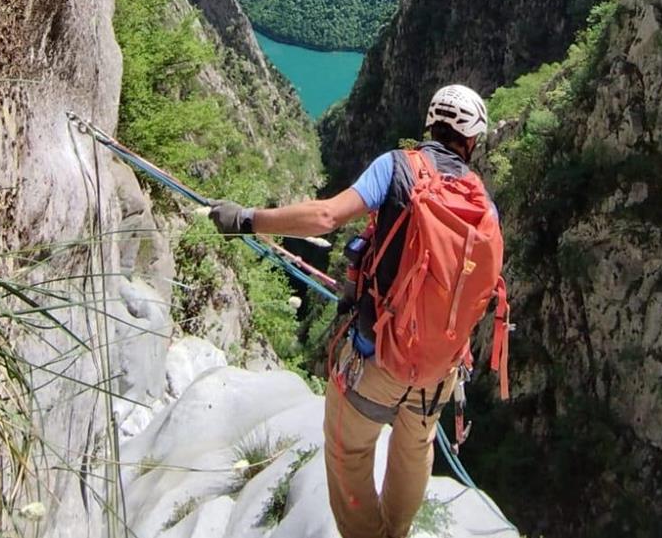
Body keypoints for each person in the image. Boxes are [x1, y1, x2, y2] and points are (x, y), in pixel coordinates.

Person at [209, 84, 503, 538]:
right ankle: (397, 531)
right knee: (415, 449)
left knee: (349, 453)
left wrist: (247, 220)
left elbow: (326, 217)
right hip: (438, 371)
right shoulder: (483, 206)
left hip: (377, 360)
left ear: (430, 124)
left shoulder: (396, 167)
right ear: (473, 140)